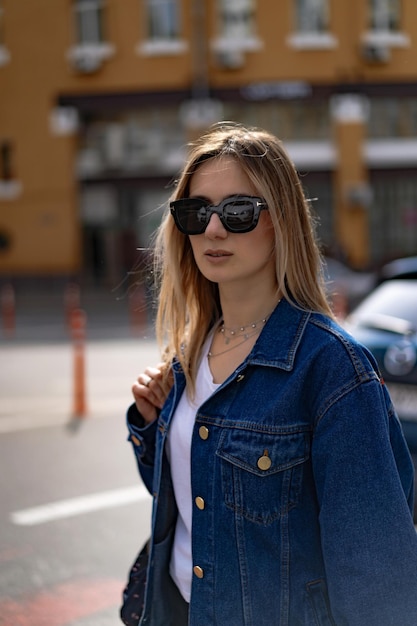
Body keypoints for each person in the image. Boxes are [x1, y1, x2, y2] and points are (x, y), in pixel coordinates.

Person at [124, 122, 417, 626]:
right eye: (196, 212)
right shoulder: (189, 355)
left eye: (238, 212)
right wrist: (155, 427)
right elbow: (207, 507)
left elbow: (376, 572)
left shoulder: (331, 368)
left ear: (280, 220)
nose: (213, 230)